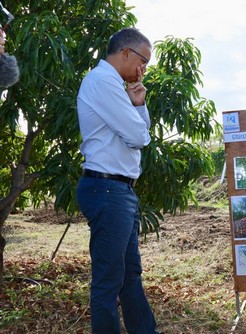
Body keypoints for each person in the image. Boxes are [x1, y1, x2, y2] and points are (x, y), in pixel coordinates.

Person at [76, 28, 161, 334]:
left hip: (117, 190)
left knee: (129, 275)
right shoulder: (102, 81)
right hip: (107, 188)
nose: (143, 70)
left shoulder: (115, 85)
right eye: (143, 61)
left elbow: (139, 132)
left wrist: (138, 104)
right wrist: (137, 119)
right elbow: (139, 136)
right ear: (126, 53)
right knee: (109, 280)